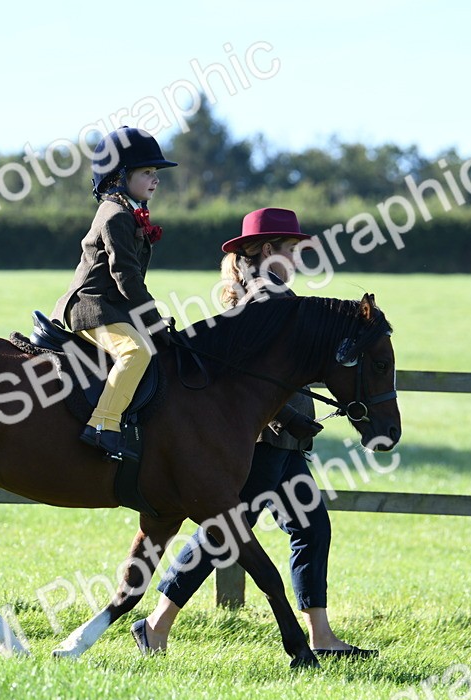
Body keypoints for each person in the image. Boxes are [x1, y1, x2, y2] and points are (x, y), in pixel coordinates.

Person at [130, 207, 377, 658]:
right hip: (260, 447)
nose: (300, 257)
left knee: (311, 527)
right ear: (267, 252)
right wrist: (286, 420)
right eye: (292, 249)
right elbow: (248, 385)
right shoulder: (265, 305)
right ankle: (155, 624)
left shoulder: (279, 297)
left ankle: (321, 637)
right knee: (223, 535)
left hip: (287, 447)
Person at [52, 127, 177, 458]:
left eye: (156, 173)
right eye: (148, 172)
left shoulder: (128, 211)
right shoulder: (116, 214)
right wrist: (153, 322)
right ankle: (102, 426)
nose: (156, 179)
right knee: (136, 351)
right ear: (120, 176)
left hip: (110, 308)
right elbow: (126, 277)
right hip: (91, 308)